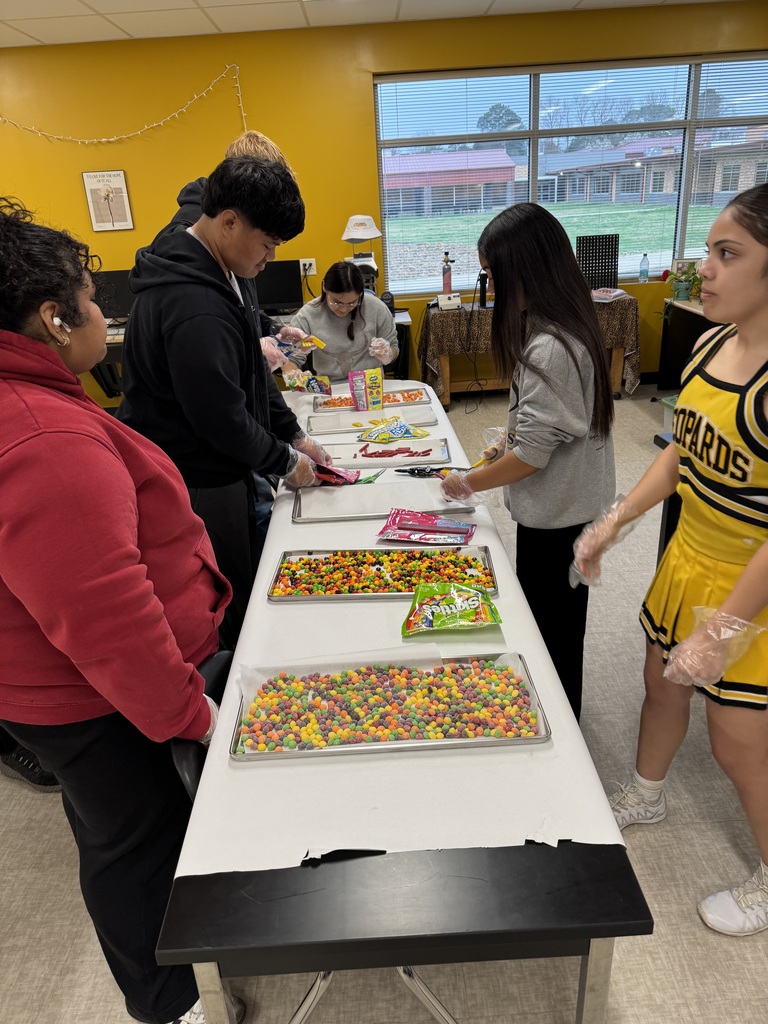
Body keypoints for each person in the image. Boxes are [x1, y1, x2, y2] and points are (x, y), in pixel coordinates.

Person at [0, 197, 242, 1024]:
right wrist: (189, 712)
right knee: (134, 847)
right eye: (95, 297)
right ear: (53, 314)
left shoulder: (32, 405)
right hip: (97, 701)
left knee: (116, 834)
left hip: (60, 693)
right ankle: (174, 1005)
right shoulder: (42, 436)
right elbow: (102, 612)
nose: (107, 313)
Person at [572, 183, 768, 936]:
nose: (704, 270)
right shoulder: (712, 342)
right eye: (709, 251)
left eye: (727, 254)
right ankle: (646, 791)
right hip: (689, 558)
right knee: (659, 682)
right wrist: (615, 521)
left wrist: (722, 631)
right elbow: (683, 454)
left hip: (750, 586)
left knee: (737, 742)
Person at [118, 157, 330, 649]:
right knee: (226, 587)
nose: (270, 257)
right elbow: (220, 417)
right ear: (229, 221)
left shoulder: (230, 267)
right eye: (269, 244)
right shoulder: (193, 303)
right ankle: (238, 677)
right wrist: (284, 460)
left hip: (226, 461)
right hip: (196, 475)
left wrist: (292, 432)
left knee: (252, 560)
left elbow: (252, 373)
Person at [439, 203, 615, 721]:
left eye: (492, 274)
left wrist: (469, 482)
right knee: (556, 623)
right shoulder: (562, 324)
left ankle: (557, 727)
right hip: (569, 509)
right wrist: (510, 440)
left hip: (559, 517)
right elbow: (543, 430)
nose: (489, 285)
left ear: (525, 269)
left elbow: (534, 457)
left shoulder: (552, 346)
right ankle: (557, 713)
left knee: (552, 631)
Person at [284, 260, 399, 383]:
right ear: (324, 287)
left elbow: (394, 347)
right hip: (330, 387)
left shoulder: (376, 307)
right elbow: (290, 358)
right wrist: (291, 373)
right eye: (337, 302)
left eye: (352, 303)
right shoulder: (307, 315)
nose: (344, 310)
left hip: (372, 385)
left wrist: (387, 354)